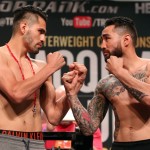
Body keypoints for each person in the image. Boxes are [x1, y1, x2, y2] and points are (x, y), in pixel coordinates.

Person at [0, 5, 86, 150]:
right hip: (7, 139)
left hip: (37, 142)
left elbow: (53, 117)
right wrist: (50, 68)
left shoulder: (41, 67)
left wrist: (71, 91)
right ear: (23, 27)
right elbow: (16, 94)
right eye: (40, 32)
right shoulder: (1, 56)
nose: (43, 39)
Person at [62, 16, 150, 150]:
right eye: (102, 40)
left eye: (107, 38)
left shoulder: (148, 67)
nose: (102, 45)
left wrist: (119, 72)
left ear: (126, 40)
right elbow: (89, 128)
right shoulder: (106, 83)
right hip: (119, 146)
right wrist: (72, 94)